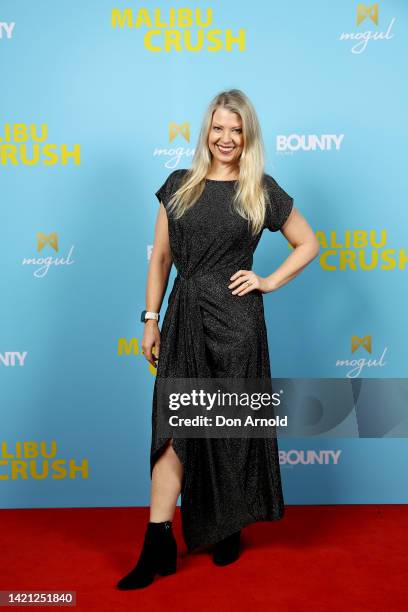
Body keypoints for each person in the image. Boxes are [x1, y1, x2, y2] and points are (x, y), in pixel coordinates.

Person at [117, 89, 319, 590]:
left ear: (246, 136)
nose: (226, 138)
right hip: (184, 316)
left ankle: (229, 524)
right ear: (206, 131)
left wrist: (267, 281)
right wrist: (150, 318)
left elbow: (308, 242)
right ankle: (158, 541)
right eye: (218, 128)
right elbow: (160, 259)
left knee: (229, 429)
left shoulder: (260, 190)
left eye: (237, 130)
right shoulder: (179, 186)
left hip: (238, 323)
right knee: (172, 428)